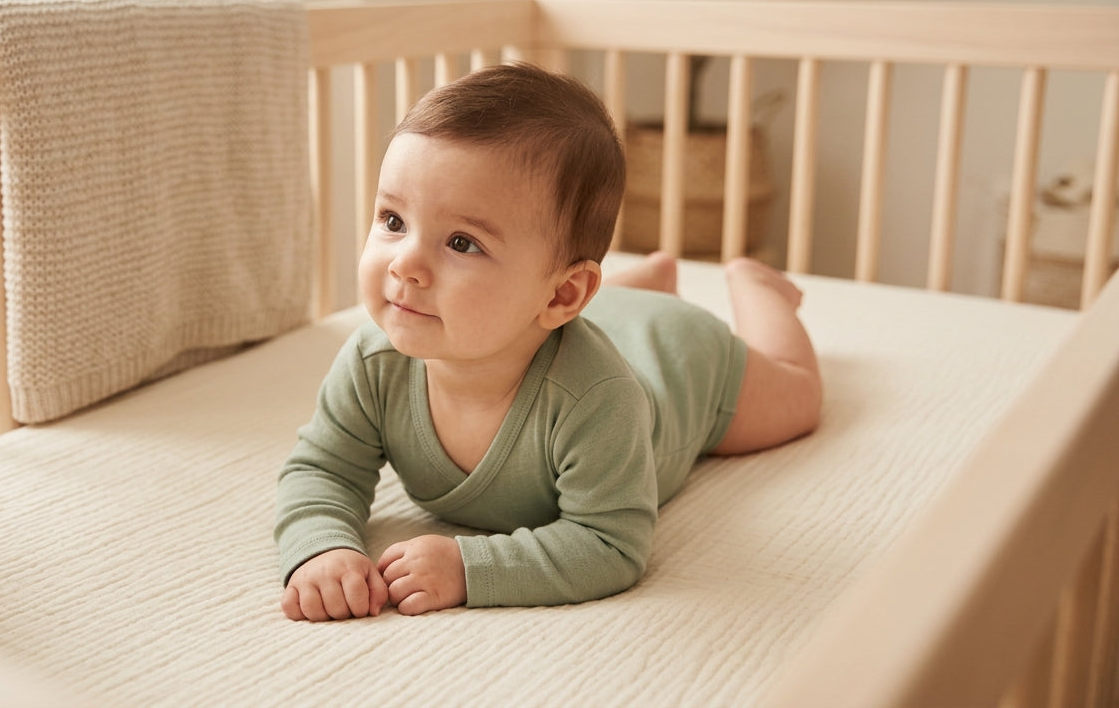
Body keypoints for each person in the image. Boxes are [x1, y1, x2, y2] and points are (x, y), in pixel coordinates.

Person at [274, 62, 821, 621]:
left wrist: (470, 567)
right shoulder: (372, 362)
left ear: (564, 295)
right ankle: (650, 277)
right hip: (581, 313)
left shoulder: (596, 399)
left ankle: (756, 288)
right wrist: (323, 547)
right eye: (393, 220)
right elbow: (322, 469)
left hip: (676, 357)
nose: (406, 264)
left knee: (798, 398)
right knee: (540, 308)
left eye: (462, 242)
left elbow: (610, 544)